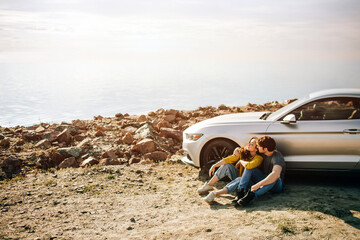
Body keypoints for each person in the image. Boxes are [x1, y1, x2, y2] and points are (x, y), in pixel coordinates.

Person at [198, 137, 263, 203]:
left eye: (252, 144)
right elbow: (229, 159)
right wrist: (215, 165)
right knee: (227, 166)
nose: (248, 145)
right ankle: (209, 185)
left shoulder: (259, 158)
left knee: (240, 179)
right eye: (249, 143)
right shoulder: (244, 153)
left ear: (256, 148)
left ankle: (215, 193)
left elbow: (249, 166)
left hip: (249, 184)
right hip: (239, 179)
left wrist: (241, 161)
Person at [237, 136, 286, 206]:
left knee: (274, 177)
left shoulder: (277, 156)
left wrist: (258, 185)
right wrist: (237, 149)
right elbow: (246, 150)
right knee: (250, 167)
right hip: (263, 178)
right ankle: (241, 192)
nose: (257, 147)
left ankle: (251, 196)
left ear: (265, 149)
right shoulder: (262, 153)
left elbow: (276, 174)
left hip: (276, 186)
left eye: (258, 146)